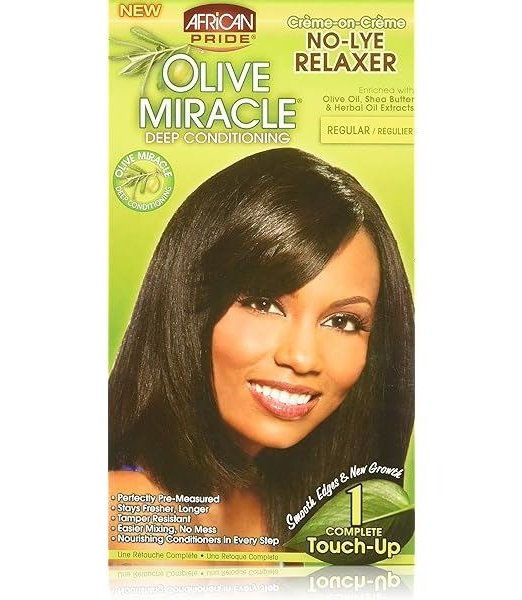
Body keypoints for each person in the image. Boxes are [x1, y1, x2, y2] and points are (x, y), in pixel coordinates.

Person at [108, 148, 414, 557]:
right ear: (188, 304)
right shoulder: (124, 515)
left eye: (342, 322)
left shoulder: (285, 515)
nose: (302, 358)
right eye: (264, 304)